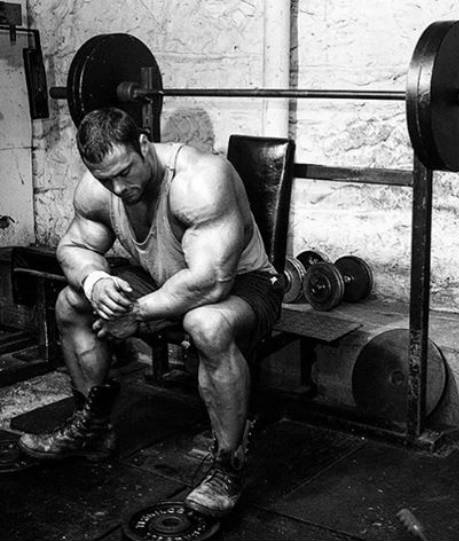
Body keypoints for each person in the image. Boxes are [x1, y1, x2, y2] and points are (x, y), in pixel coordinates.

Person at [18, 107, 284, 518]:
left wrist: (137, 312)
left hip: (242, 284)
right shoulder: (101, 186)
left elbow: (212, 281)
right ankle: (92, 428)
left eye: (125, 172)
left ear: (144, 144)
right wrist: (96, 282)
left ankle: (227, 467)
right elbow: (74, 248)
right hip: (163, 281)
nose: (119, 188)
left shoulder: (200, 179)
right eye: (107, 179)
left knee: (206, 324)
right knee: (71, 301)